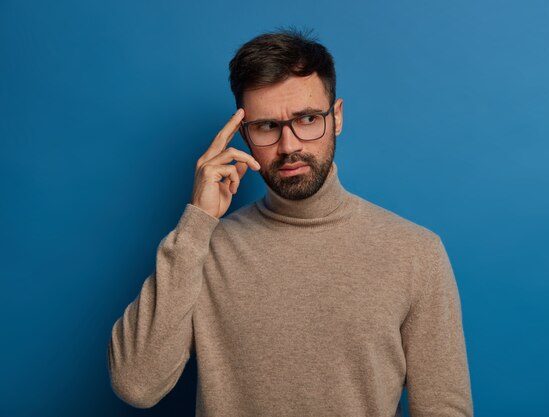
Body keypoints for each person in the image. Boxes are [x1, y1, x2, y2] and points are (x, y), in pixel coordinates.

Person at [107, 28, 473, 417]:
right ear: (243, 135)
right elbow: (136, 384)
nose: (290, 146)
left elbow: (443, 408)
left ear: (337, 118)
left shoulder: (416, 252)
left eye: (308, 119)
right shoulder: (203, 249)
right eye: (267, 127)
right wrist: (197, 223)